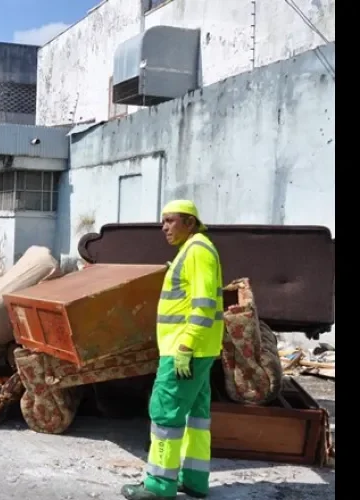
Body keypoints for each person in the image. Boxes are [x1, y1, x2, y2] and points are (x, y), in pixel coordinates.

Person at [121, 200, 224, 500]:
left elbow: (204, 304)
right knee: (196, 415)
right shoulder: (193, 250)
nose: (164, 227)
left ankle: (158, 485)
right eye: (162, 222)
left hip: (184, 350)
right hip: (198, 349)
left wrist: (185, 344)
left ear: (190, 222)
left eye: (170, 220)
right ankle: (194, 479)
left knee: (165, 412)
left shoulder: (197, 251)